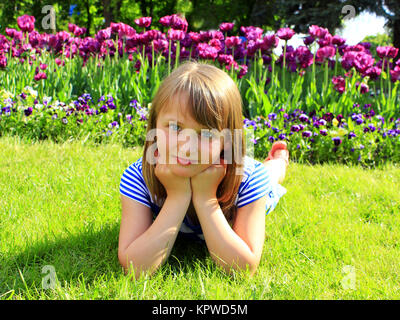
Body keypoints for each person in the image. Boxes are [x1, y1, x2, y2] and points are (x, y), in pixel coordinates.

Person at [118, 60, 289, 279]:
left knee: (271, 178)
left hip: (247, 178)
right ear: (154, 126)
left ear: (227, 140)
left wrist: (206, 198)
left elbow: (243, 269)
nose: (186, 146)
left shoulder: (250, 179)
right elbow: (135, 268)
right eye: (175, 127)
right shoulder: (137, 178)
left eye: (206, 134)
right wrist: (178, 197)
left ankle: (279, 160)